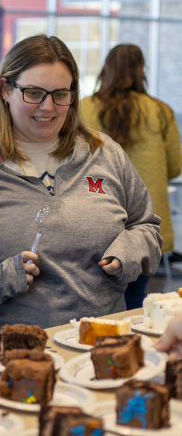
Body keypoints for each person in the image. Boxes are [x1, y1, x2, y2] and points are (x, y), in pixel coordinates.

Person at [0, 34, 162, 349]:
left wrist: (129, 251)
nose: (48, 107)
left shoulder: (106, 154)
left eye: (61, 94)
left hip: (96, 351)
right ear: (6, 89)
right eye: (33, 93)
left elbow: (146, 226)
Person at [80, 44, 182, 309]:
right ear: (141, 70)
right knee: (136, 299)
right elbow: (174, 167)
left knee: (90, 299)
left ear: (106, 69)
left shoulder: (82, 108)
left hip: (93, 212)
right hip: (143, 220)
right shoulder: (160, 111)